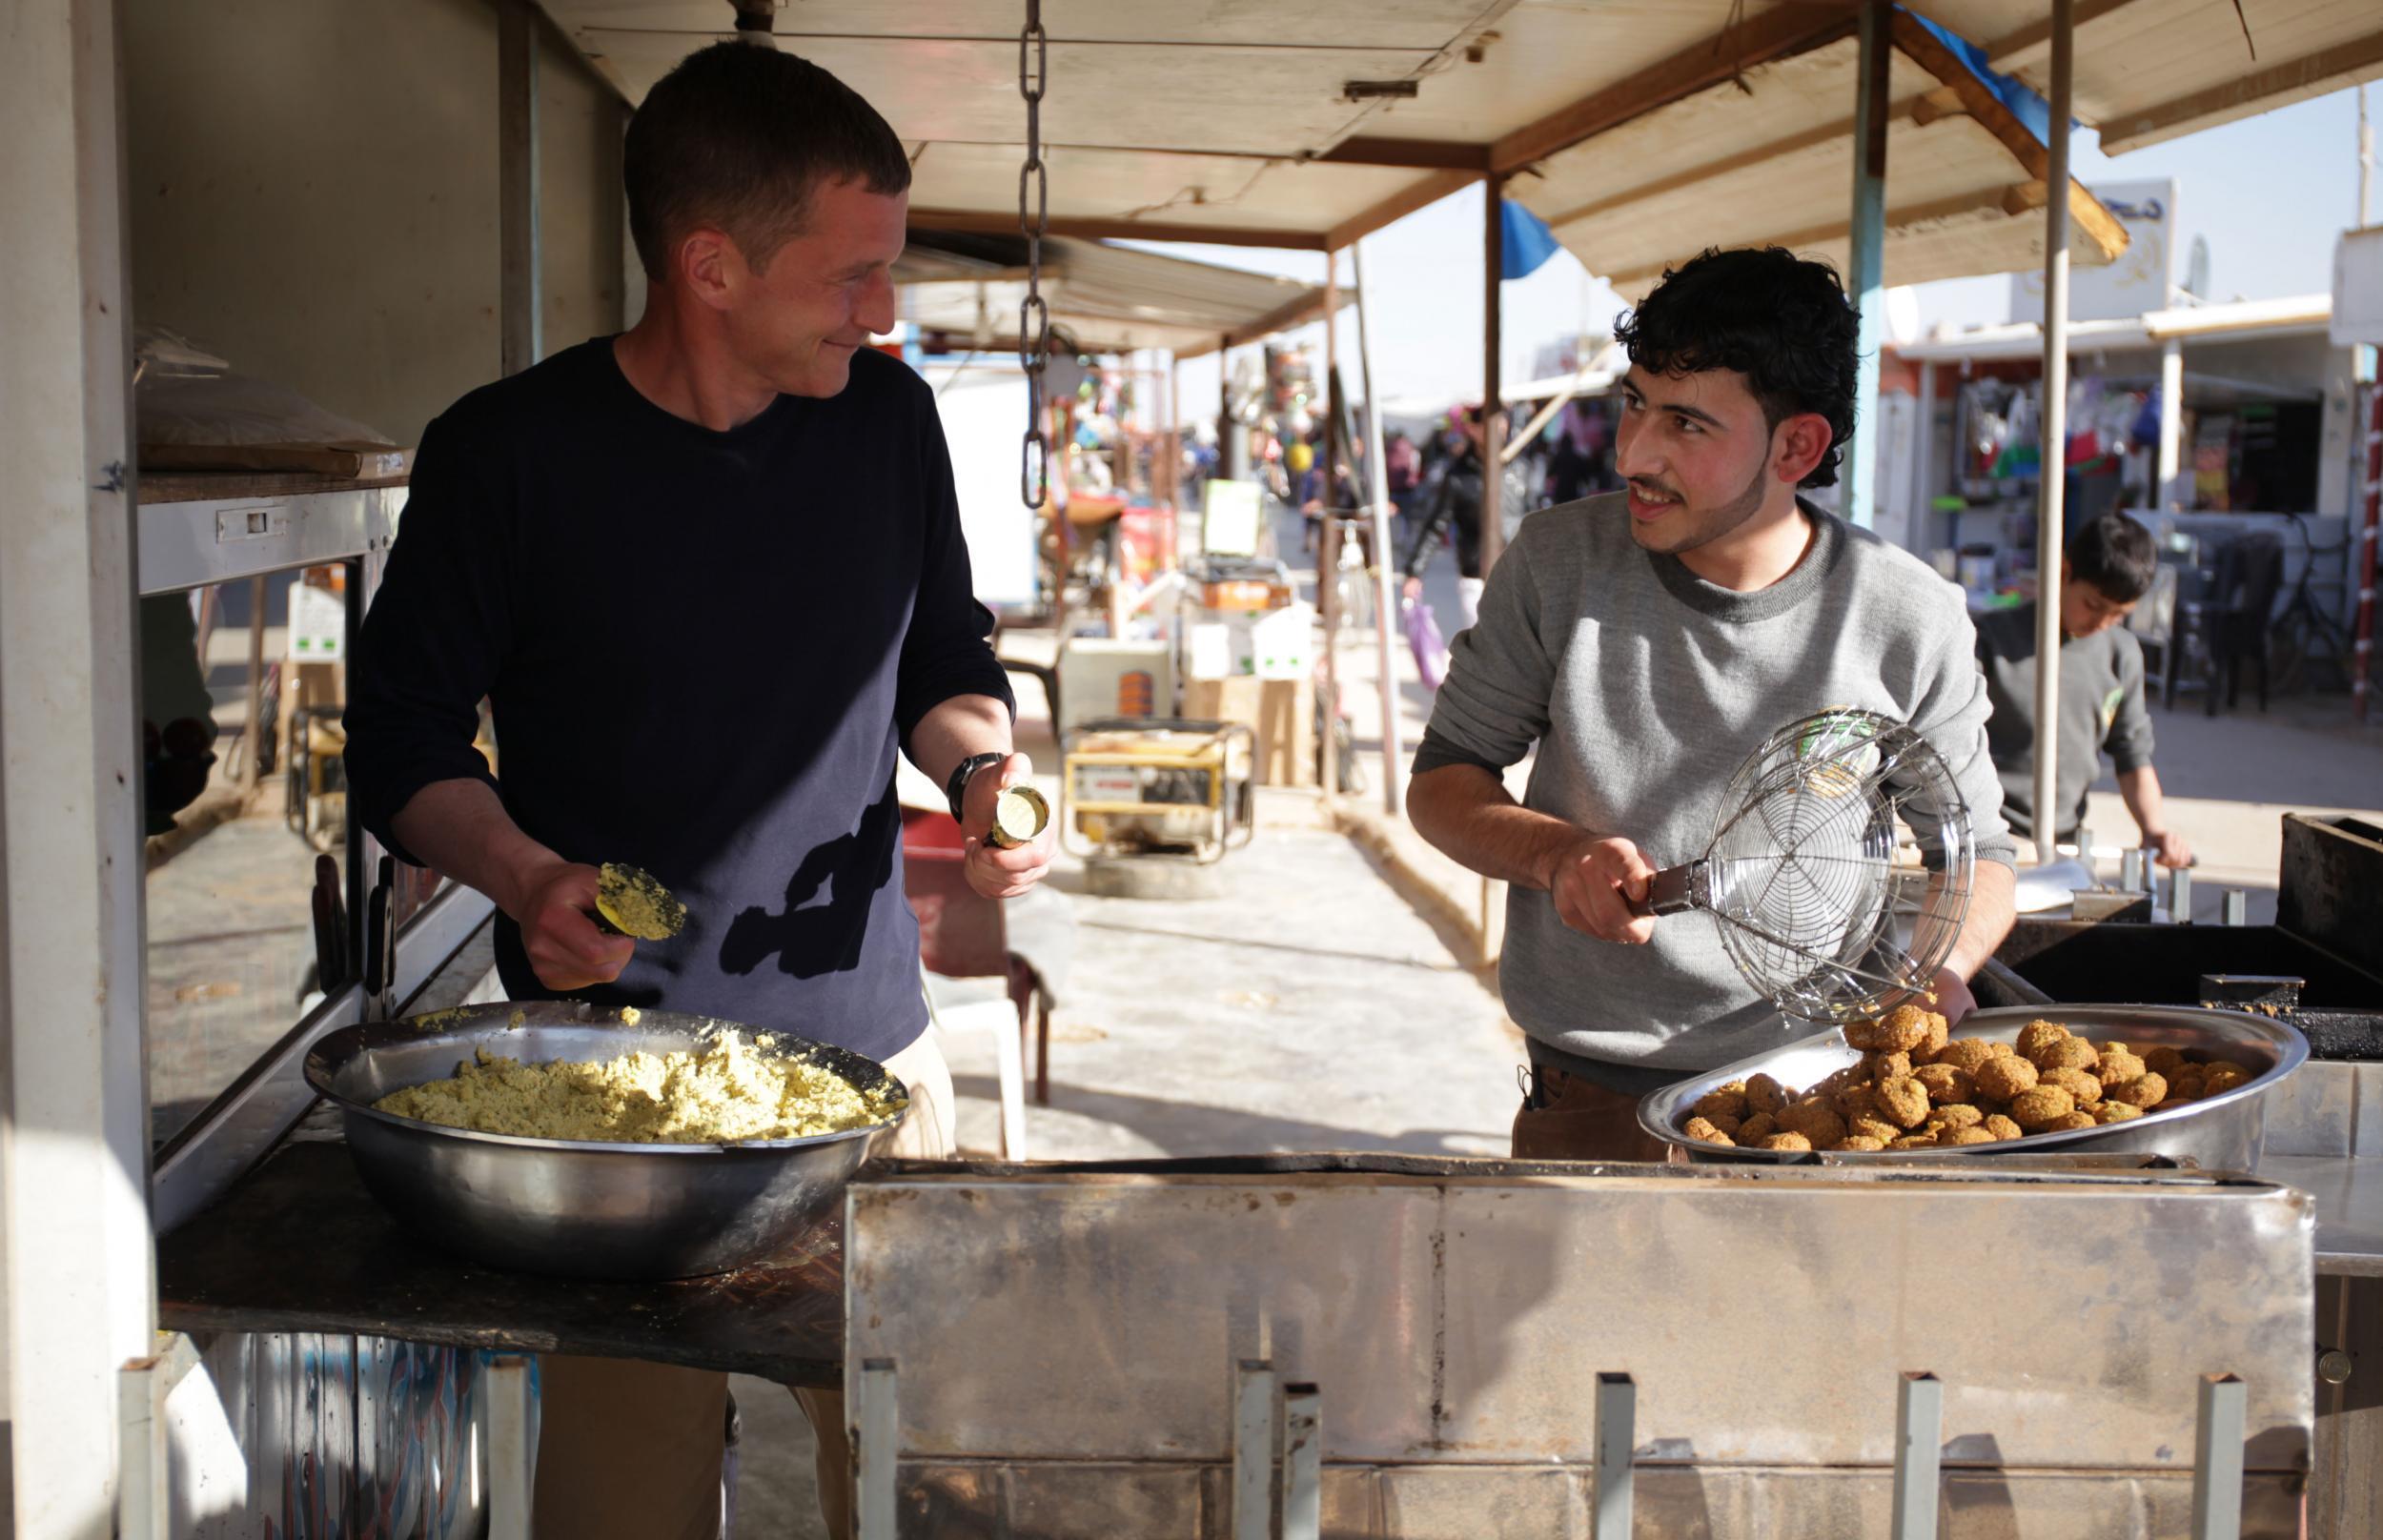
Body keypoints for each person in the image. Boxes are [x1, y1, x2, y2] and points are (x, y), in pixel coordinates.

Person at [343, 41, 1055, 1540]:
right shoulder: (510, 456)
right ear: (710, 264)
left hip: (870, 1067)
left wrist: (982, 769)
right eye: (853, 274)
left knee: (932, 1484)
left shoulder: (888, 424)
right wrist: (523, 876)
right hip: (606, 1100)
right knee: (623, 1501)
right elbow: (398, 741)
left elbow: (943, 652)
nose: (886, 311)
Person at [1403, 246, 2017, 1162]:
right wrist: (1556, 854)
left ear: (1796, 446)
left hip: (1818, 1101)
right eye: (1636, 402)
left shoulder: (1907, 616)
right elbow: (1442, 782)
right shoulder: (1557, 564)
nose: (1633, 453)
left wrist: (1944, 968)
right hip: (1591, 1096)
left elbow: (1984, 859)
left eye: (1686, 423)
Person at [1975, 511, 2191, 868]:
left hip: (2065, 843)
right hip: (1984, 839)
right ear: (2063, 572)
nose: (2102, 622)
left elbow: (2132, 755)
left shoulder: (2121, 655)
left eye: (2118, 614)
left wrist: (2154, 830)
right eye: (2093, 605)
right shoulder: (1991, 640)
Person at [1399, 407, 1487, 630]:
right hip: (1475, 571)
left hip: (1519, 574)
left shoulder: (1518, 469)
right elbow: (1436, 525)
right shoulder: (1458, 477)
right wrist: (1415, 572)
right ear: (1473, 429)